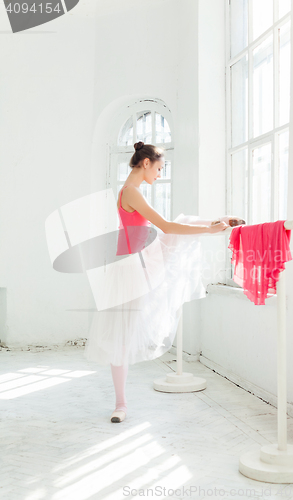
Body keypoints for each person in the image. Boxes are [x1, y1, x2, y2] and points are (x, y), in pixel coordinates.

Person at [84, 142, 239, 423]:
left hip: (143, 257)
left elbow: (162, 229)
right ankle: (121, 404)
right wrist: (207, 230)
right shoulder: (130, 192)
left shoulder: (133, 191)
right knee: (121, 337)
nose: (159, 173)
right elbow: (166, 227)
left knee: (124, 335)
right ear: (146, 163)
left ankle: (219, 222)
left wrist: (209, 226)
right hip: (132, 266)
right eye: (159, 168)